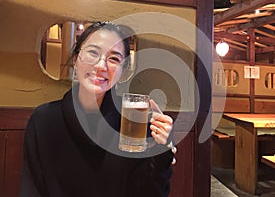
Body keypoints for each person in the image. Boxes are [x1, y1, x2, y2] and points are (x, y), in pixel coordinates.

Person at [19, 22, 175, 197]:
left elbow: (150, 192)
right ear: (75, 60)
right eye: (93, 53)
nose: (101, 66)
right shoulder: (44, 119)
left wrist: (161, 152)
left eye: (114, 59)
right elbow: (32, 188)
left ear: (122, 71)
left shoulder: (133, 123)